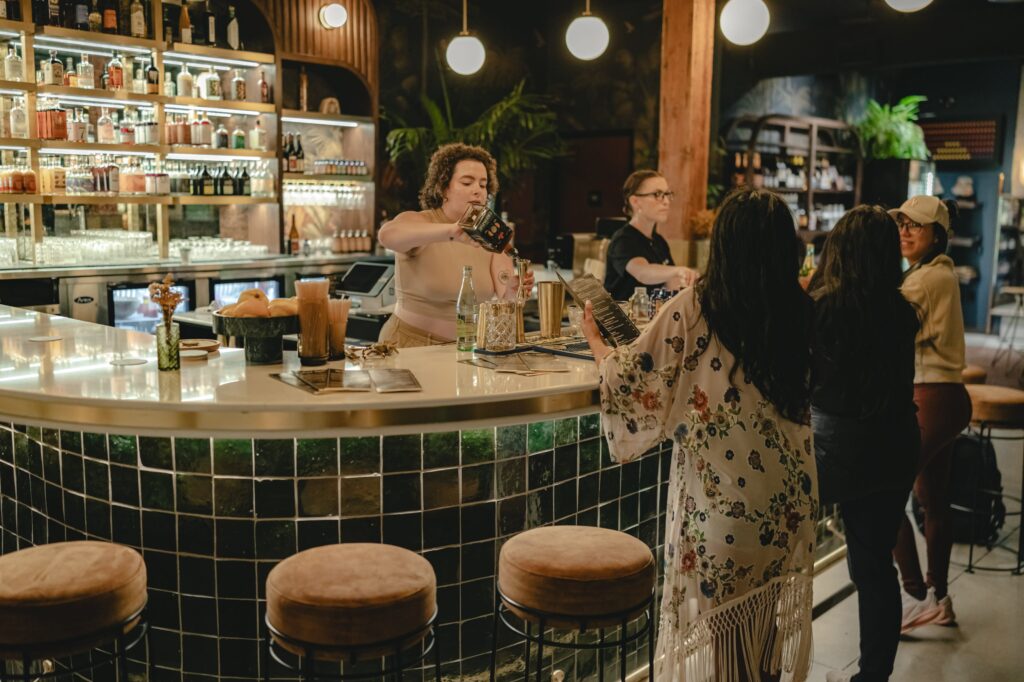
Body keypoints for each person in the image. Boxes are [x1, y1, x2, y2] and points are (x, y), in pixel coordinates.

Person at [583, 189, 818, 681]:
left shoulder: (696, 307)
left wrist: (598, 347)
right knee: (764, 630)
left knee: (730, 644)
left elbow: (632, 378)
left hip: (726, 505)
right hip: (789, 498)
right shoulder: (801, 309)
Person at [808, 206, 920, 682]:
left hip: (839, 448)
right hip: (896, 442)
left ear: (841, 249)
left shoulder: (825, 308)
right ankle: (873, 676)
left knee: (791, 558)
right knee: (875, 569)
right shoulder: (901, 311)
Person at [889, 195, 971, 633]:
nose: (904, 231)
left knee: (884, 494)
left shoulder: (924, 280)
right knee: (933, 500)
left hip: (930, 397)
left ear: (937, 234)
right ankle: (939, 597)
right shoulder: (934, 273)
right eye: (901, 223)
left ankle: (915, 594)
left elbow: (882, 322)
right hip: (948, 397)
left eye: (915, 226)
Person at [376, 143, 533, 347]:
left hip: (467, 348)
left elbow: (505, 305)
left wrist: (514, 292)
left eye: (483, 185)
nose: (477, 191)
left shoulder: (490, 237)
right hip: (408, 344)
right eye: (467, 183)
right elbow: (387, 235)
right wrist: (451, 231)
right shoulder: (422, 223)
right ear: (443, 189)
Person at [603, 170, 699, 301]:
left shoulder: (659, 241)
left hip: (651, 319)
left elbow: (671, 284)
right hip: (623, 320)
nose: (666, 201)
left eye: (667, 194)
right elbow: (642, 272)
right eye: (657, 194)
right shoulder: (623, 240)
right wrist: (678, 270)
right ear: (635, 201)